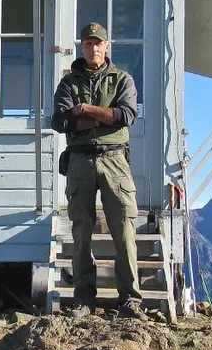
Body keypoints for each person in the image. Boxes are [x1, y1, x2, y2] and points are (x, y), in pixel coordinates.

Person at [52, 22, 147, 321]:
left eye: (98, 43)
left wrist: (85, 110)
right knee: (81, 232)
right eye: (87, 43)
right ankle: (83, 300)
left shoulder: (122, 80)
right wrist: (104, 117)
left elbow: (126, 115)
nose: (93, 48)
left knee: (125, 230)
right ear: (82, 47)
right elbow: (61, 121)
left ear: (106, 46)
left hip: (115, 160)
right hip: (79, 161)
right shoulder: (68, 83)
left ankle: (130, 301)